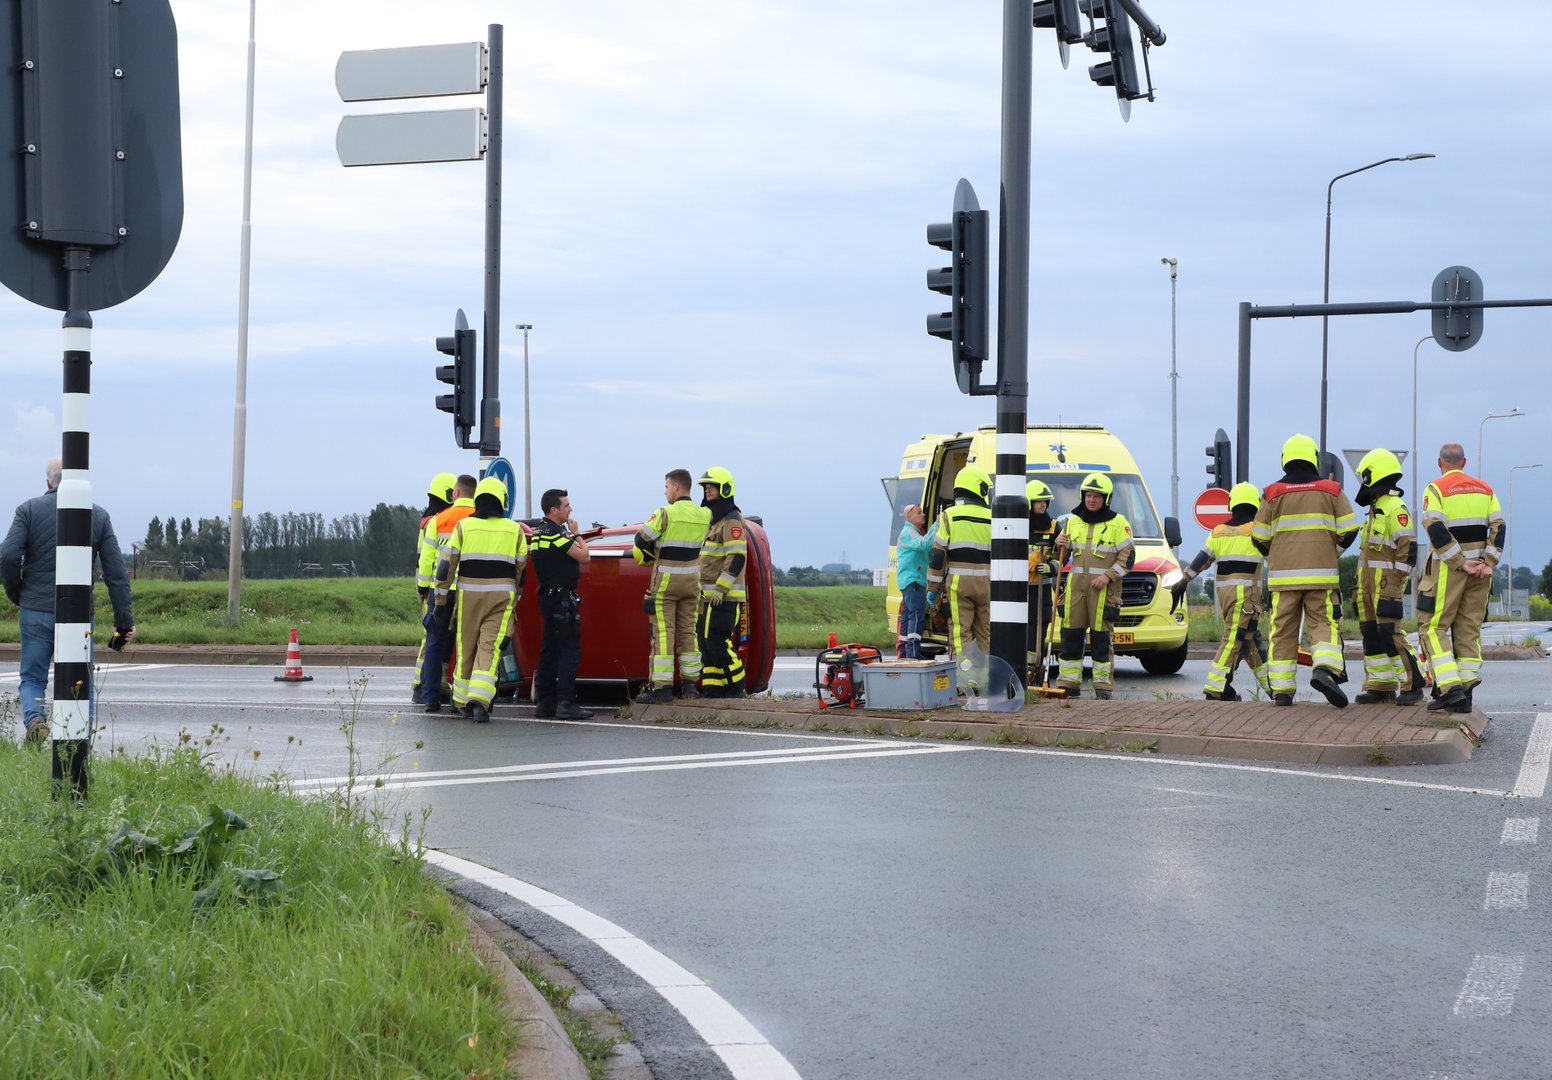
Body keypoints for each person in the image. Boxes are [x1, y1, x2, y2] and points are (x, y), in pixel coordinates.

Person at [1, 458, 135, 743]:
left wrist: (18, 593)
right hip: (77, 614)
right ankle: (79, 742)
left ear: (48, 482)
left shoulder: (28, 510)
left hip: (36, 609)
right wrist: (124, 622)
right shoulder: (98, 516)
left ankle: (35, 719)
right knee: (80, 680)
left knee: (33, 678)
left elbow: (8, 555)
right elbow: (116, 574)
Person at [1251, 434, 1358, 707]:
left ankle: (1284, 692)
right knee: (1323, 624)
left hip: (1283, 579)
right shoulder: (1331, 490)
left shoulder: (1271, 493)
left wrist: (1277, 556)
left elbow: (1258, 538)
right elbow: (1349, 530)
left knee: (1282, 631)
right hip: (1321, 576)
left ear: (1285, 459)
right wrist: (1331, 552)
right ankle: (1323, 670)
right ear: (1313, 458)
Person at [430, 476, 527, 724]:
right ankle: (480, 702)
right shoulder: (514, 530)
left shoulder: (464, 527)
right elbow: (520, 571)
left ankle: (461, 700)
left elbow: (445, 568)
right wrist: (515, 598)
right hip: (501, 597)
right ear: (501, 500)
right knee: (489, 648)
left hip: (468, 595)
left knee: (466, 647)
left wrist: (440, 602)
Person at [1417, 442, 1503, 713]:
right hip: (1481, 570)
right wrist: (1488, 561)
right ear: (1464, 463)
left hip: (1448, 570)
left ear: (1439, 462)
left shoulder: (1436, 488)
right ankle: (1464, 696)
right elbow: (1498, 526)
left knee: (1432, 627)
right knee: (1468, 629)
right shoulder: (1485, 489)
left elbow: (1435, 526)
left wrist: (1459, 561)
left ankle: (1449, 687)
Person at [1169, 481, 1270, 701]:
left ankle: (1273, 688)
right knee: (1233, 640)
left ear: (1232, 504)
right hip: (1247, 600)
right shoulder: (1257, 531)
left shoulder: (1218, 532)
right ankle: (1215, 687)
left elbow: (1201, 560)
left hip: (1226, 599)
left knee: (1250, 642)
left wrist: (1184, 580)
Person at [1352, 448, 1426, 706]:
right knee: (1370, 634)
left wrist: (1396, 583)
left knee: (1390, 633)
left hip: (1386, 585)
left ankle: (1413, 684)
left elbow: (1408, 549)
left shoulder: (1395, 507)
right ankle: (1380, 685)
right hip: (1367, 586)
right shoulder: (1375, 509)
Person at [633, 469, 711, 704]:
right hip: (691, 582)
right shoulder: (704, 514)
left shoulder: (665, 513)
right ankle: (690, 686)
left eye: (666, 486)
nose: (665, 491)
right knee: (689, 633)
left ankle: (662, 688)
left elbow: (641, 538)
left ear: (677, 487)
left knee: (663, 634)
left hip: (666, 583)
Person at [1054, 472, 1134, 700]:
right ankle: (1068, 684)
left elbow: (1127, 559)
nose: (1091, 500)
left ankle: (1102, 687)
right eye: (1088, 496)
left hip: (1103, 591)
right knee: (1070, 636)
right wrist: (1058, 543)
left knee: (1101, 639)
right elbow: (1059, 558)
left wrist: (1108, 576)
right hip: (1075, 590)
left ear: (1106, 499)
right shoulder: (1071, 521)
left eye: (1097, 497)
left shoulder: (1119, 524)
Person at [528, 487, 592, 720]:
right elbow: (584, 556)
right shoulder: (555, 534)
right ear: (554, 510)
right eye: (566, 506)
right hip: (562, 599)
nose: (570, 509)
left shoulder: (538, 534)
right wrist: (576, 534)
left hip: (548, 597)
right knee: (568, 651)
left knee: (549, 650)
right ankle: (566, 702)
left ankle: (545, 702)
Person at [419, 474, 477, 714]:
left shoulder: (439, 520)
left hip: (441, 590)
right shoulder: (478, 519)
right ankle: (460, 699)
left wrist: (423, 588)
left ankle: (430, 698)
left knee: (434, 642)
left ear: (455, 493)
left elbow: (427, 559)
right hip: (469, 589)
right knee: (465, 644)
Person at [927, 465, 993, 657]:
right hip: (987, 584)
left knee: (960, 636)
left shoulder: (949, 516)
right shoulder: (993, 517)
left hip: (958, 585)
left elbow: (938, 555)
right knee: (985, 635)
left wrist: (933, 588)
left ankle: (965, 684)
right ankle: (983, 681)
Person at [696, 467, 748, 697]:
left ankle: (737, 686)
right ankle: (713, 689)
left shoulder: (731, 520)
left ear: (725, 488)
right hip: (707, 598)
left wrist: (720, 589)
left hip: (723, 598)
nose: (707, 489)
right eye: (705, 486)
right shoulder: (713, 521)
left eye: (712, 485)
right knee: (705, 646)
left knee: (716, 643)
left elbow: (736, 557)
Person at [411, 471, 457, 705]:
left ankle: (432, 683)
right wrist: (425, 588)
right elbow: (427, 558)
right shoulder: (436, 521)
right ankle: (421, 684)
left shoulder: (430, 520)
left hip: (429, 585)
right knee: (432, 638)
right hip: (435, 586)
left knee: (435, 637)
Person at [1025, 479, 1060, 683]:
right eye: (1038, 501)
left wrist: (1051, 567)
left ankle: (1035, 674)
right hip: (1020, 589)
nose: (1043, 505)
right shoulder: (1016, 525)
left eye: (1045, 502)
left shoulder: (1054, 527)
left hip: (1042, 589)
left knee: (1038, 631)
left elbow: (1064, 556)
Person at [895, 502, 936, 660]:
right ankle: (913, 653)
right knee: (916, 616)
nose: (923, 515)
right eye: (919, 513)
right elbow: (923, 544)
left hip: (909, 580)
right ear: (909, 517)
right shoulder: (909, 532)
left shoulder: (912, 532)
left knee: (907, 616)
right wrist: (937, 526)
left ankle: (904, 652)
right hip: (914, 581)